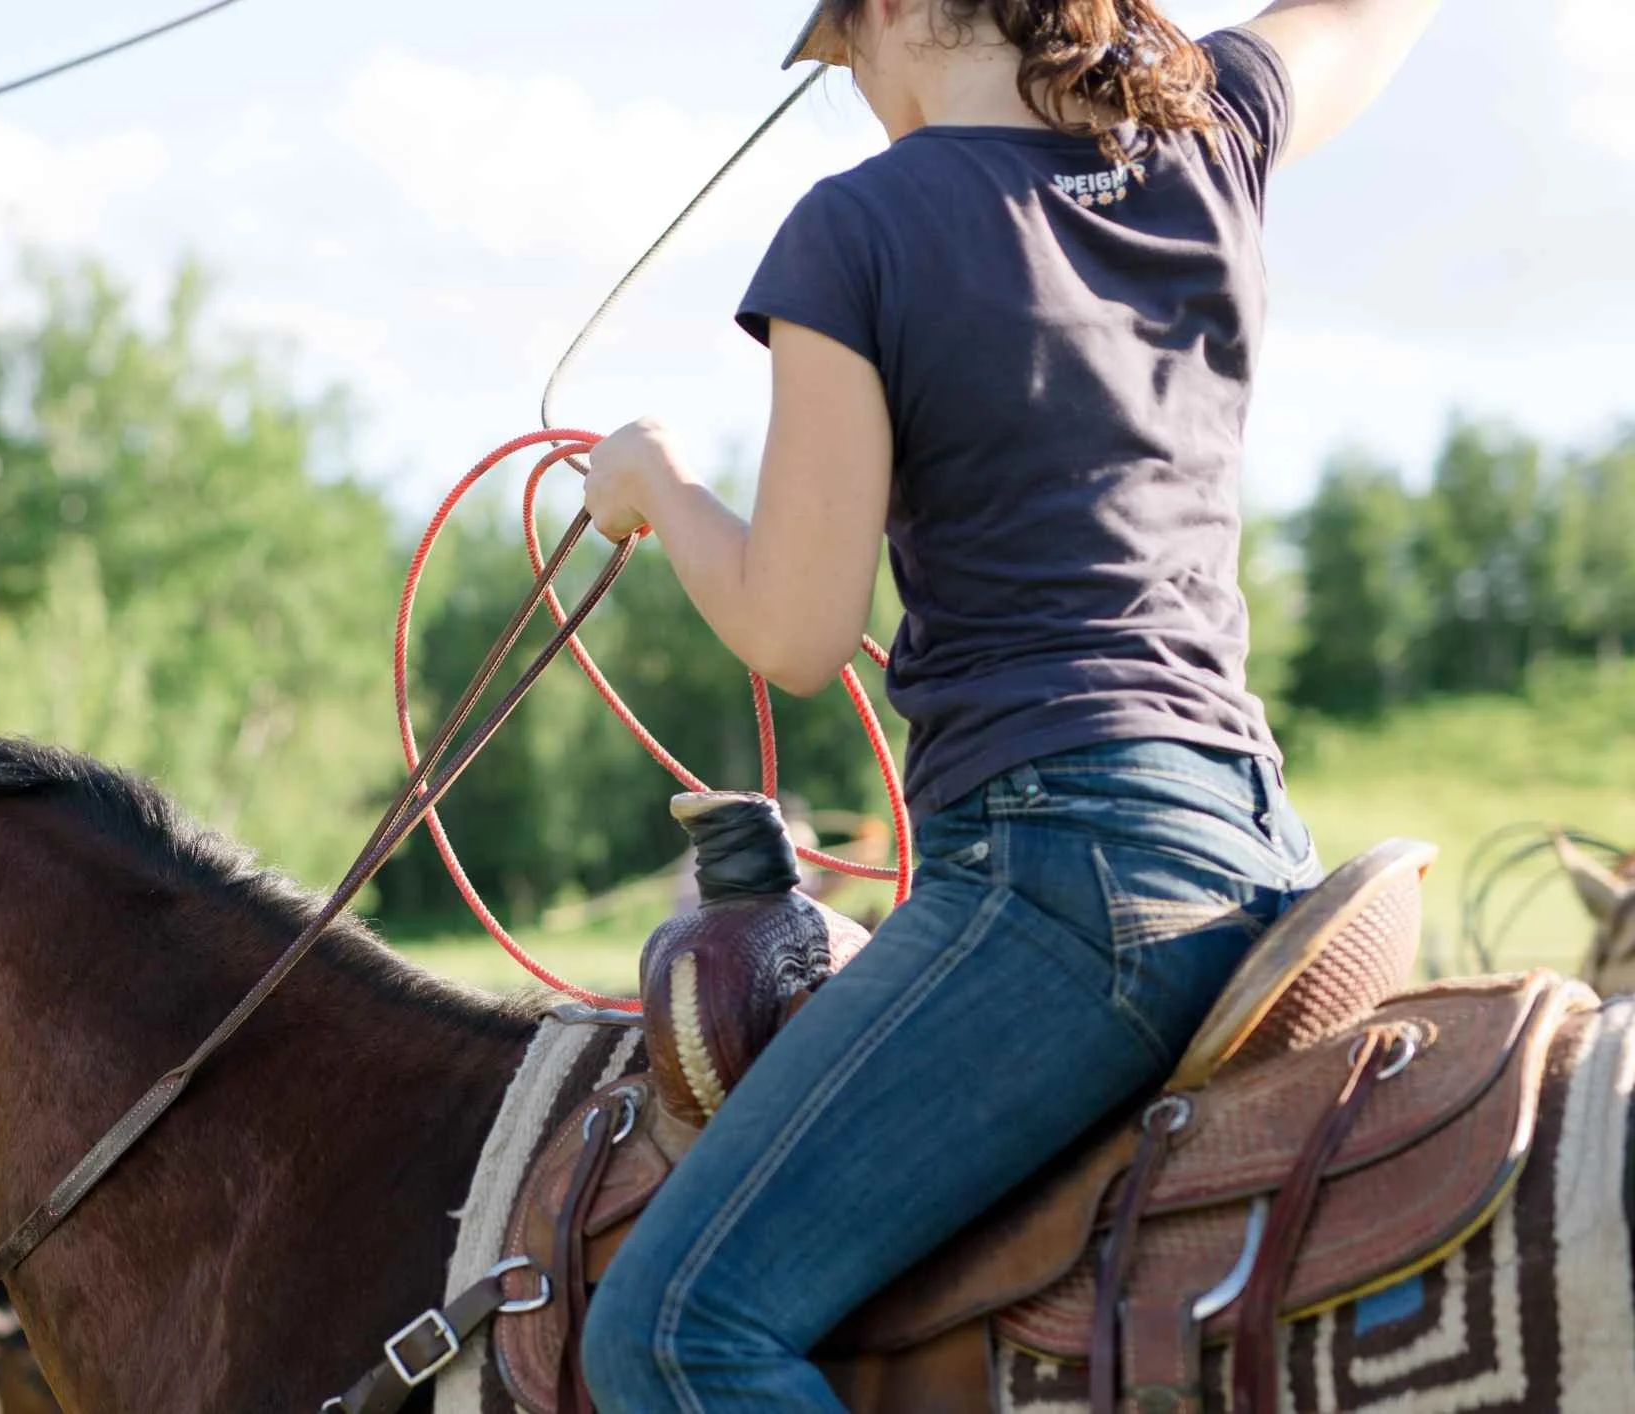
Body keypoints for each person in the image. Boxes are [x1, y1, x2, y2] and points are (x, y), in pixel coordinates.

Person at [576, 0, 1443, 1408]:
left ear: (907, 11)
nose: (859, 96)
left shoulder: (858, 228)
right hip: (1252, 844)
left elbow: (796, 631)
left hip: (1060, 872)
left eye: (849, 58)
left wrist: (662, 486)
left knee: (673, 1327)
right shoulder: (1212, 128)